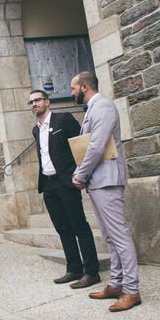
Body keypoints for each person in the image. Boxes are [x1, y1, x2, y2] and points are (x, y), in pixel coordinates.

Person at [70, 72, 141, 312]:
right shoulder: (92, 109)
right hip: (98, 181)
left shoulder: (103, 107)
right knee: (110, 236)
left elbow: (96, 146)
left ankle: (131, 290)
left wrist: (80, 174)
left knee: (119, 236)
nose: (71, 93)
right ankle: (116, 284)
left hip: (107, 180)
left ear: (85, 86)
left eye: (73, 88)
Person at [30, 89, 100, 287]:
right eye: (31, 102)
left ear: (47, 102)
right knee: (62, 229)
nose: (34, 104)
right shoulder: (36, 130)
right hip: (48, 184)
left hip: (65, 182)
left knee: (80, 226)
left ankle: (92, 272)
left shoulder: (64, 120)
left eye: (37, 100)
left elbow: (81, 147)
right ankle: (74, 269)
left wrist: (80, 174)